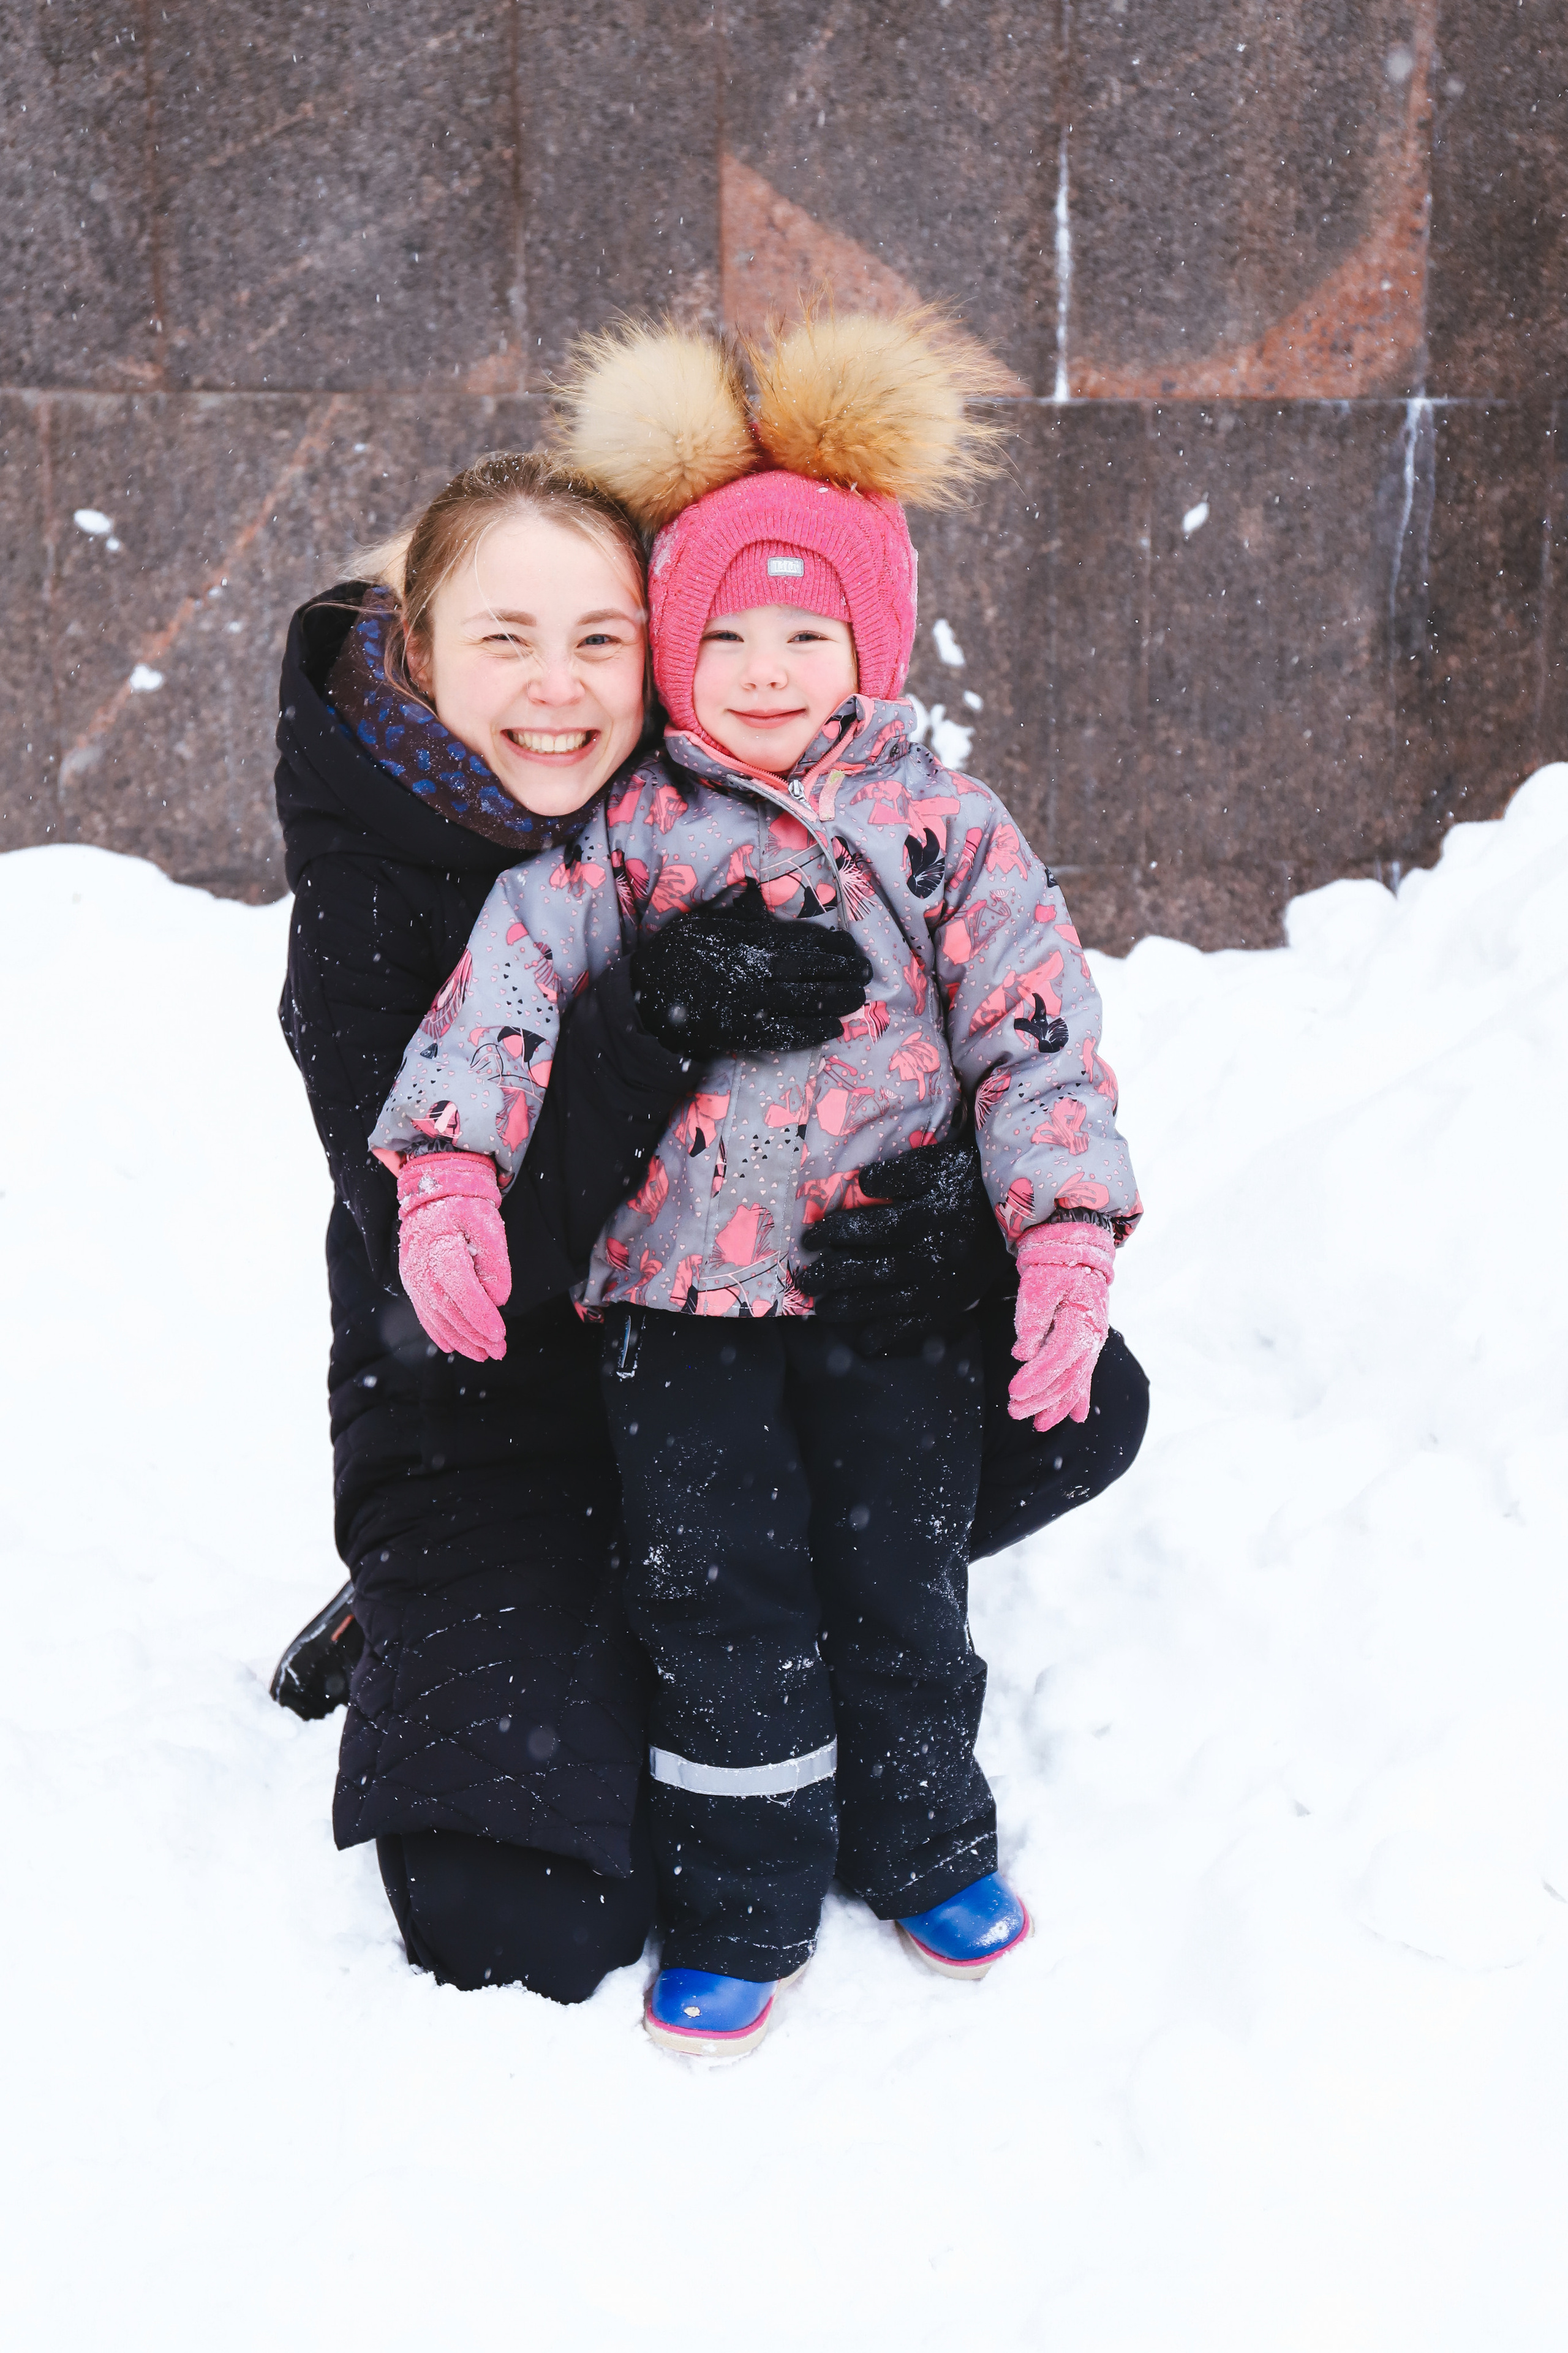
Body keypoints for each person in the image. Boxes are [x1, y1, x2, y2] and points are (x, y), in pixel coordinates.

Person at [274, 448, 1148, 2011]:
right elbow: (491, 1143)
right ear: (419, 646)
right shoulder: (437, 883)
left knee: (1059, 1402)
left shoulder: (815, 803)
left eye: (598, 637)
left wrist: (980, 1219)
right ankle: (494, 1624)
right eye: (503, 639)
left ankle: (861, 1758)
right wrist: (652, 1017)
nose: (556, 687)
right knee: (523, 1911)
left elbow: (1010, 1025)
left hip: (784, 1325)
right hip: (500, 1411)